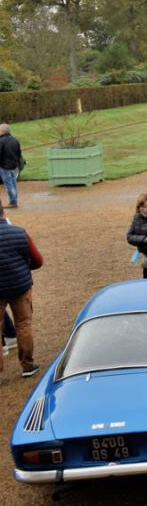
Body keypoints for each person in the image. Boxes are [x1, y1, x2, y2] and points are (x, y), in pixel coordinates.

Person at [0, 203, 42, 379]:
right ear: (3, 212)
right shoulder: (19, 232)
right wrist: (24, 268)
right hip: (20, 285)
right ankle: (27, 365)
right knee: (23, 325)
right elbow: (38, 260)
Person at [0, 124, 23, 209]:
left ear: (2, 131)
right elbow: (19, 153)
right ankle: (14, 200)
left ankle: (13, 201)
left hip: (4, 166)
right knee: (13, 183)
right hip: (14, 165)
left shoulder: (1, 141)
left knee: (8, 184)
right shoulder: (15, 140)